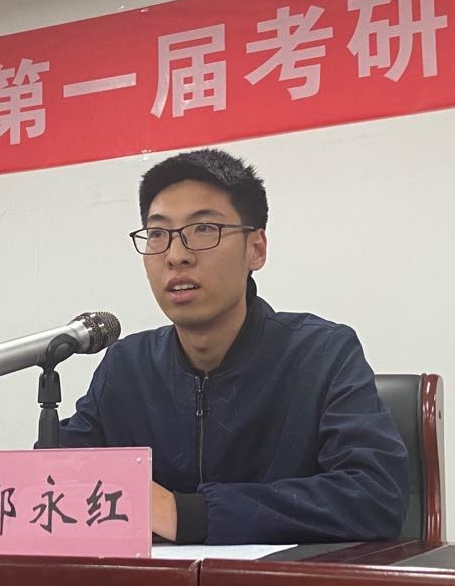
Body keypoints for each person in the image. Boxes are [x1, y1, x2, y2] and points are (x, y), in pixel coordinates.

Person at [58, 147, 409, 544]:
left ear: (256, 249)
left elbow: (375, 497)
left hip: (279, 583)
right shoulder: (127, 366)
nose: (176, 256)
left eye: (204, 229)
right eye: (157, 234)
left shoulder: (322, 354)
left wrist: (190, 514)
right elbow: (55, 479)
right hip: (154, 584)